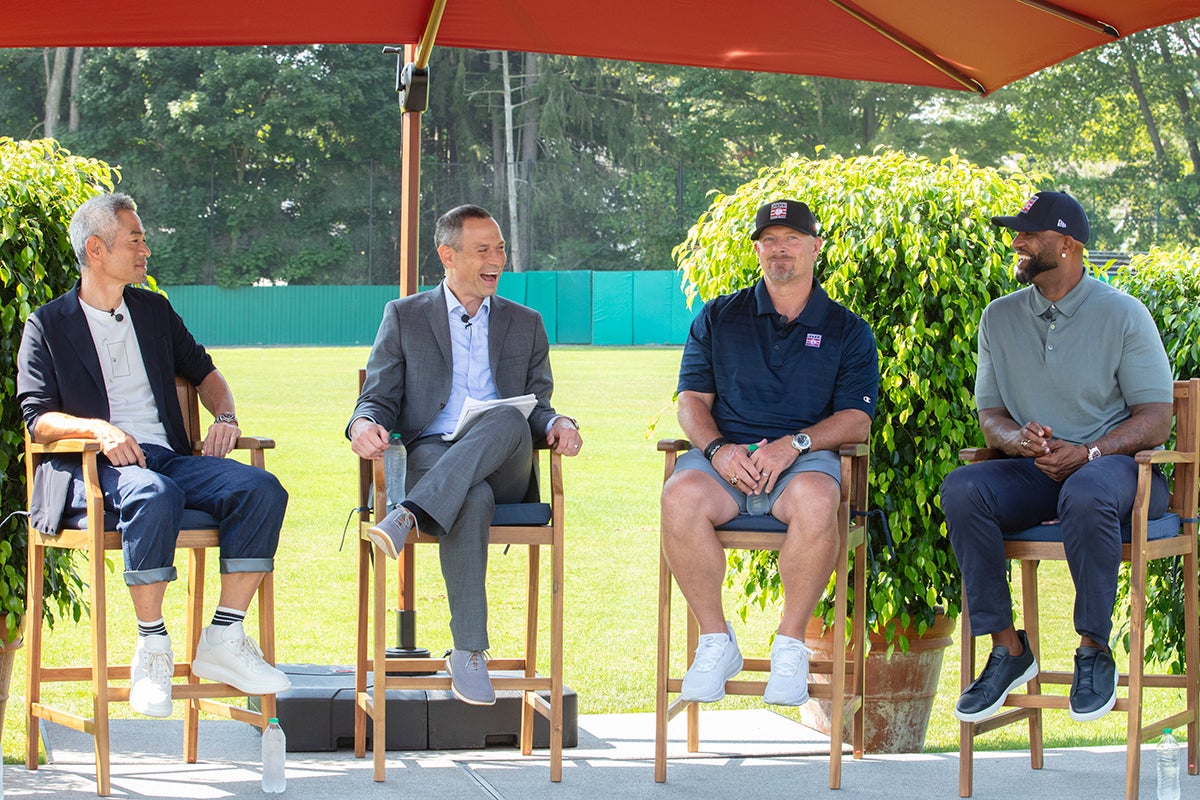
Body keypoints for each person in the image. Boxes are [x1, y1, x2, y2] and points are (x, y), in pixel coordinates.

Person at [17, 193, 292, 718]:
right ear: (96, 249)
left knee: (261, 488)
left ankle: (225, 638)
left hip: (166, 457)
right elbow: (38, 418)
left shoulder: (154, 310)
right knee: (154, 493)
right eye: (135, 239)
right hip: (91, 470)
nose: (146, 249)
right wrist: (98, 429)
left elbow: (205, 372)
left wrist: (226, 417)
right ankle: (152, 647)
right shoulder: (47, 324)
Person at [942, 190, 1174, 724]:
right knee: (962, 486)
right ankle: (1008, 650)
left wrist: (1089, 451)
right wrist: (1017, 438)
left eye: (1029, 234)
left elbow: (1156, 419)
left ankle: (1093, 648)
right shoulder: (997, 318)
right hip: (1036, 468)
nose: (1016, 243)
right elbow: (991, 417)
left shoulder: (1123, 314)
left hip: (1116, 472)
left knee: (1086, 489)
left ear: (1067, 244)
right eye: (1016, 233)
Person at [347, 204, 583, 707]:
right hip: (434, 452)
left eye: (499, 248)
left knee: (506, 416)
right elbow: (380, 397)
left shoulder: (527, 323)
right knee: (469, 497)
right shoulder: (405, 315)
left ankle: (407, 514)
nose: (497, 258)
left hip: (509, 459)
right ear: (447, 256)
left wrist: (560, 423)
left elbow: (538, 407)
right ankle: (470, 652)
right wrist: (363, 422)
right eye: (484, 250)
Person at [660, 199, 878, 706]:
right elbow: (691, 401)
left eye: (792, 239)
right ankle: (715, 641)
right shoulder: (718, 316)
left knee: (819, 501)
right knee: (679, 496)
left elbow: (856, 418)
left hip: (801, 462)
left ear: (816, 247)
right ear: (758, 249)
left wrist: (793, 444)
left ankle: (790, 643)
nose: (780, 250)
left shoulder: (848, 329)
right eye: (770, 240)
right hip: (724, 461)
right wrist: (717, 450)